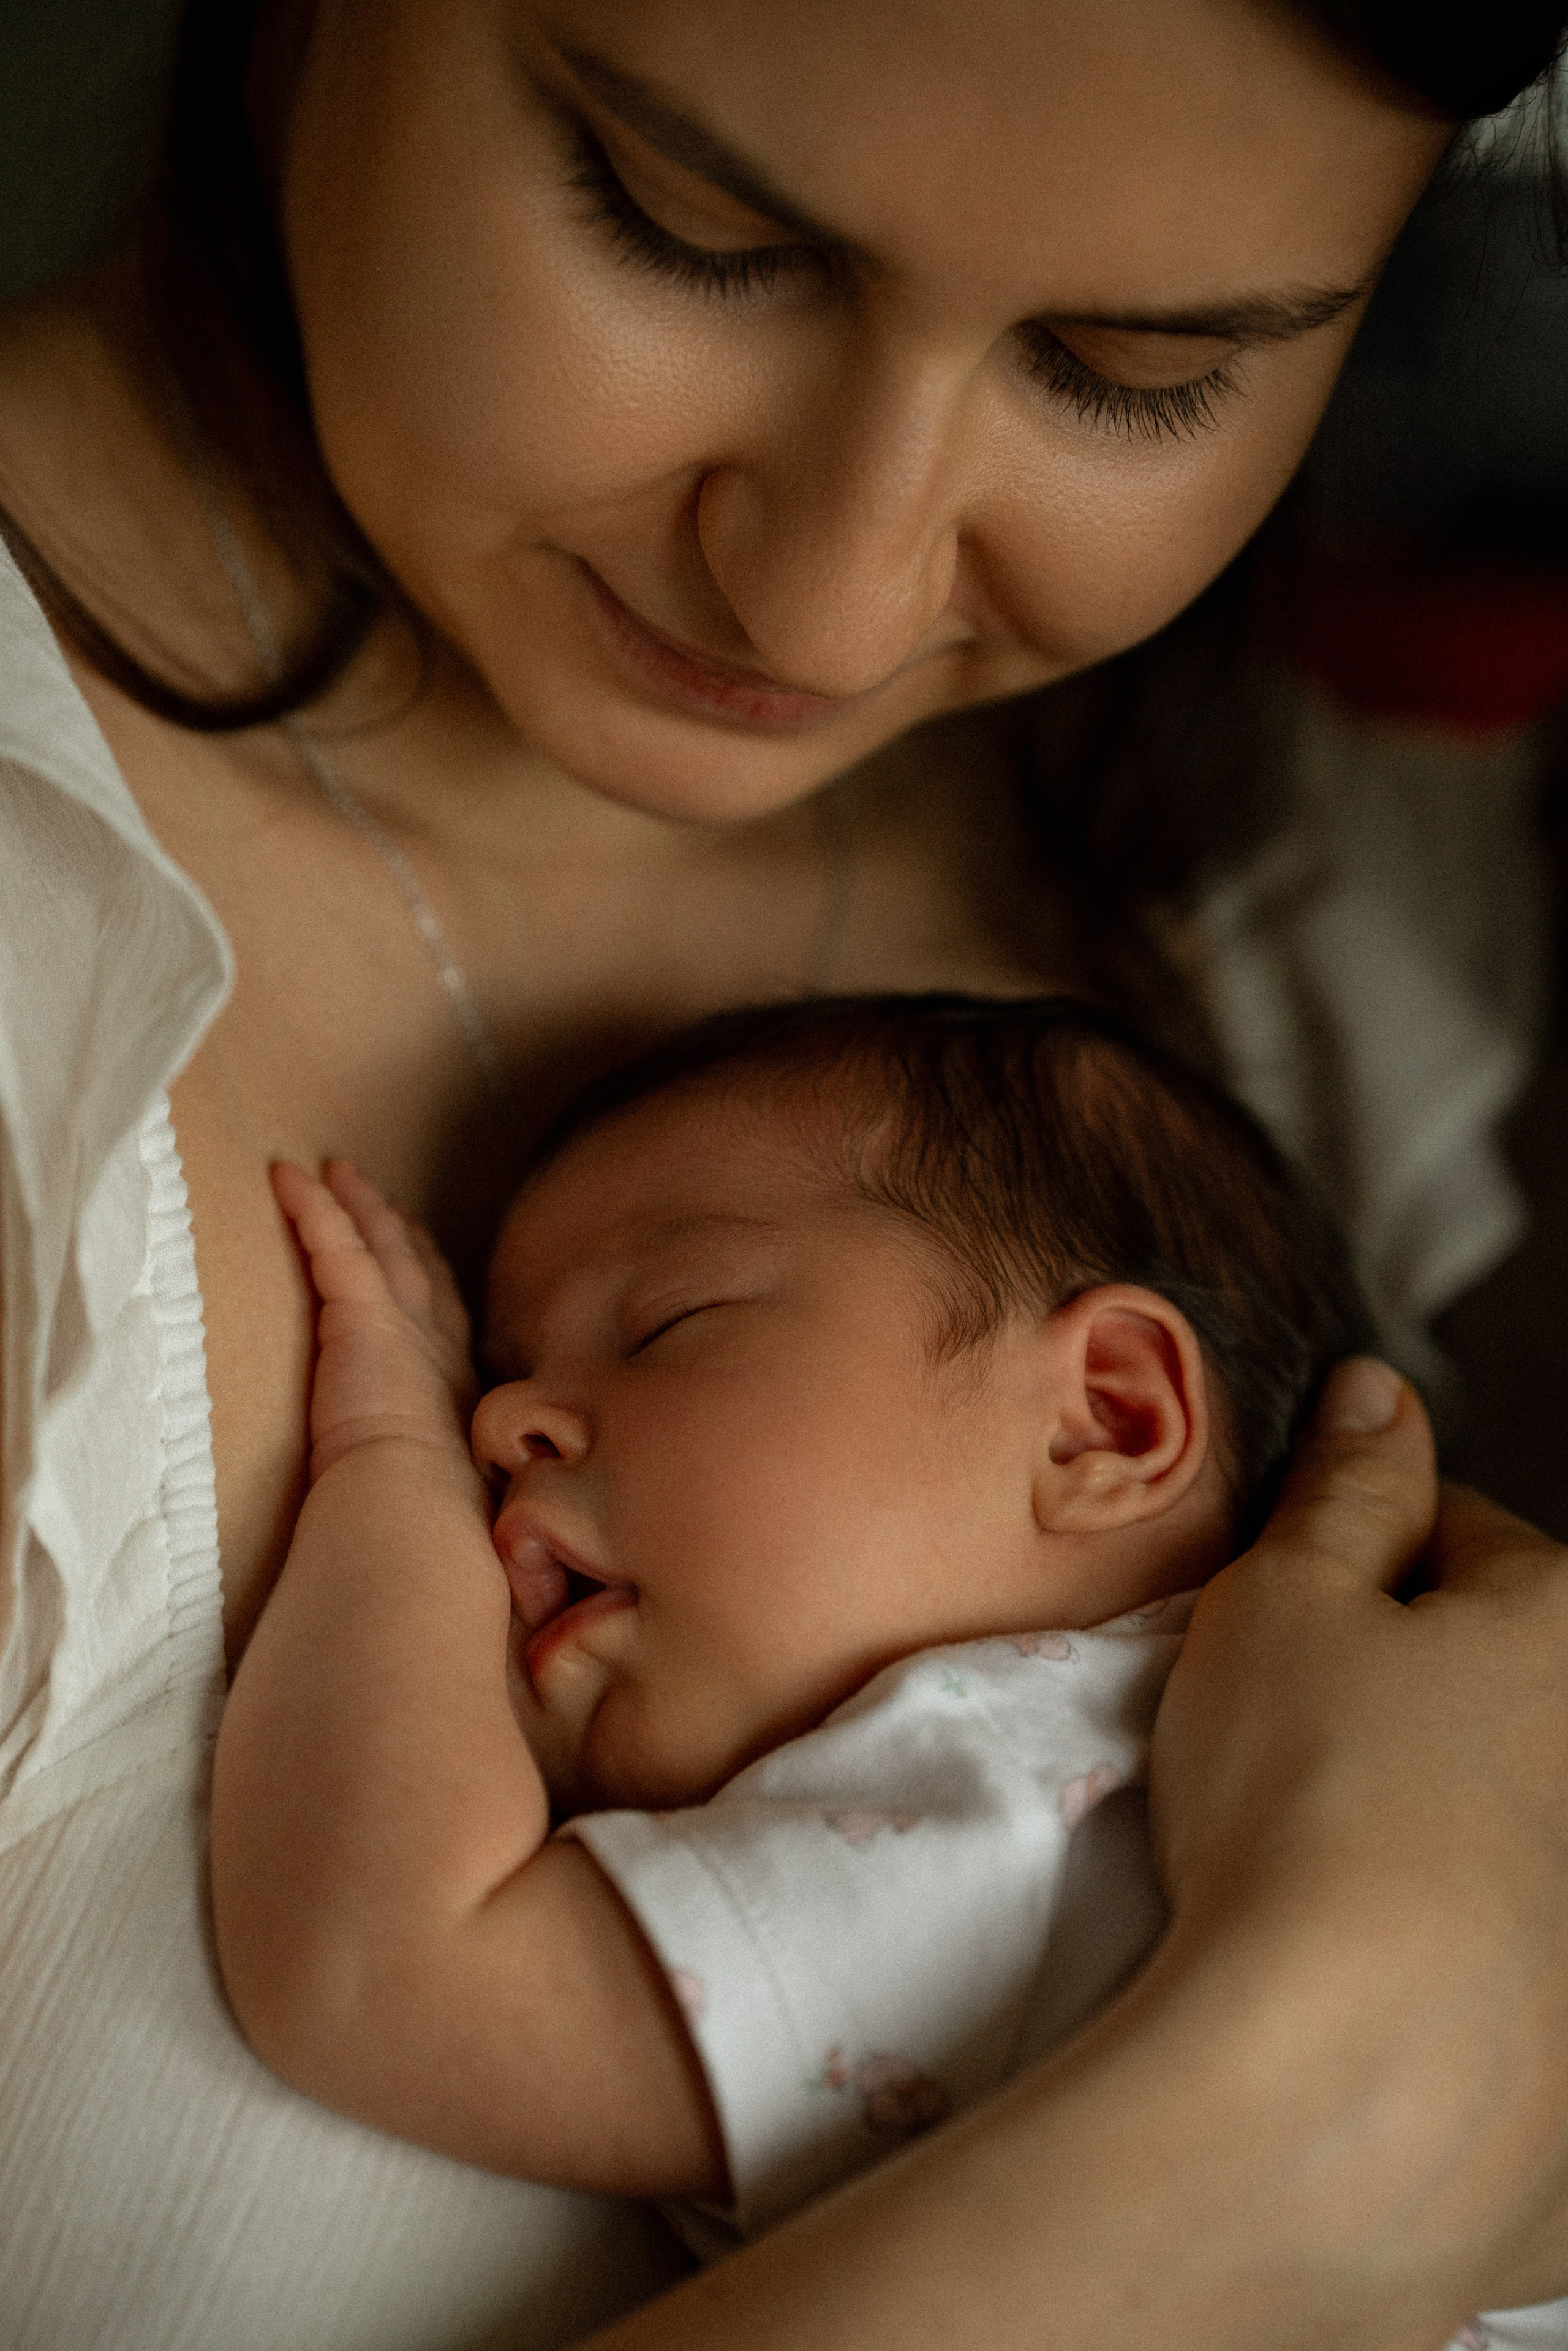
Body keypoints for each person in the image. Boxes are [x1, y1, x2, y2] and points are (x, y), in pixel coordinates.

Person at [4, 4, 1568, 2348]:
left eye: (1133, 374)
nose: (826, 602)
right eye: (686, 227)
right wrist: (1285, 2117)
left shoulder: (1278, 899)